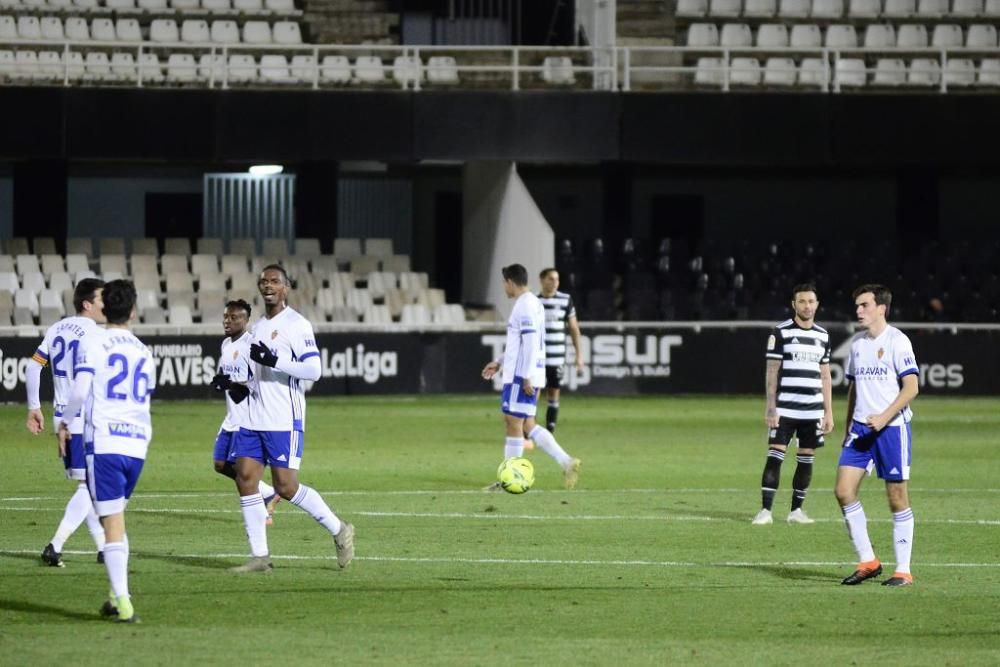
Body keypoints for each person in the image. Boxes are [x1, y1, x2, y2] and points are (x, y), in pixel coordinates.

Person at [230, 265, 354, 572]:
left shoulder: (297, 325)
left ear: (286, 288)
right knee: (245, 478)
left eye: (275, 281)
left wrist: (275, 360)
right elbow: (256, 376)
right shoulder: (256, 327)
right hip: (254, 418)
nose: (268, 285)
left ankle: (339, 529)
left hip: (284, 420)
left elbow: (314, 370)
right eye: (264, 281)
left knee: (285, 487)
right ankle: (261, 556)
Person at [58, 279, 153, 623]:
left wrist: (65, 423)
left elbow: (80, 391)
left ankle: (124, 603)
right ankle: (114, 596)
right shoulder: (144, 351)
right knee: (117, 522)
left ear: (103, 307)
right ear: (132, 310)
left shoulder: (93, 343)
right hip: (138, 445)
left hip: (106, 444)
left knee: (111, 523)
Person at [835, 284, 919, 587]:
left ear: (881, 308)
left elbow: (911, 387)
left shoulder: (898, 341)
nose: (858, 311)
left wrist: (883, 418)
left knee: (897, 497)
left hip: (891, 429)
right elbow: (854, 388)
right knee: (844, 491)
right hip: (860, 430)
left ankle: (903, 570)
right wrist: (848, 427)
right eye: (857, 306)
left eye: (864, 305)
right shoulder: (857, 344)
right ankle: (869, 561)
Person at [25, 278, 108, 567]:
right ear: (88, 304)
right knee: (90, 487)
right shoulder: (96, 334)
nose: (106, 304)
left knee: (88, 484)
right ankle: (55, 545)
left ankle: (102, 548)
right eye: (102, 299)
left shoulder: (57, 328)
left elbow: (33, 365)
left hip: (62, 416)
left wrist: (34, 407)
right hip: (84, 417)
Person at [481, 264, 581, 490]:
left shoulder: (524, 305)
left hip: (521, 375)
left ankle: (509, 479)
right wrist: (499, 362)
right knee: (526, 423)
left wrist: (525, 376)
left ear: (510, 282)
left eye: (504, 283)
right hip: (530, 371)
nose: (503, 287)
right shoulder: (533, 303)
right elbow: (522, 342)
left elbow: (531, 342)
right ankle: (566, 462)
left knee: (513, 423)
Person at [752, 283, 834, 526]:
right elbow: (771, 371)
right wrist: (770, 407)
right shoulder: (780, 332)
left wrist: (829, 412)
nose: (807, 306)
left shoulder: (823, 335)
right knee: (776, 456)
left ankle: (796, 511)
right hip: (785, 408)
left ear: (817, 305)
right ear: (794, 305)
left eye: (811, 301)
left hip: (813, 409)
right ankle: (765, 511)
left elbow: (826, 375)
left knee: (806, 458)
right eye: (802, 301)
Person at [209, 299, 281, 524]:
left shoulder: (252, 347)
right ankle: (267, 492)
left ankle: (259, 514)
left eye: (234, 317)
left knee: (243, 472)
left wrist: (229, 384)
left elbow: (256, 387)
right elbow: (229, 378)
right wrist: (222, 381)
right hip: (232, 416)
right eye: (226, 317)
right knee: (220, 464)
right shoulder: (225, 344)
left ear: (246, 320)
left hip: (248, 418)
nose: (227, 322)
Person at [537, 268, 585, 434]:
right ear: (542, 280)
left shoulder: (565, 300)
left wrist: (579, 355)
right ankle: (529, 430)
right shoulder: (535, 302)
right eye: (551, 278)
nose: (555, 282)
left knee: (553, 391)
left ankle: (550, 430)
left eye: (557, 279)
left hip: (556, 358)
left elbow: (573, 328)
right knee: (533, 392)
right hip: (537, 357)